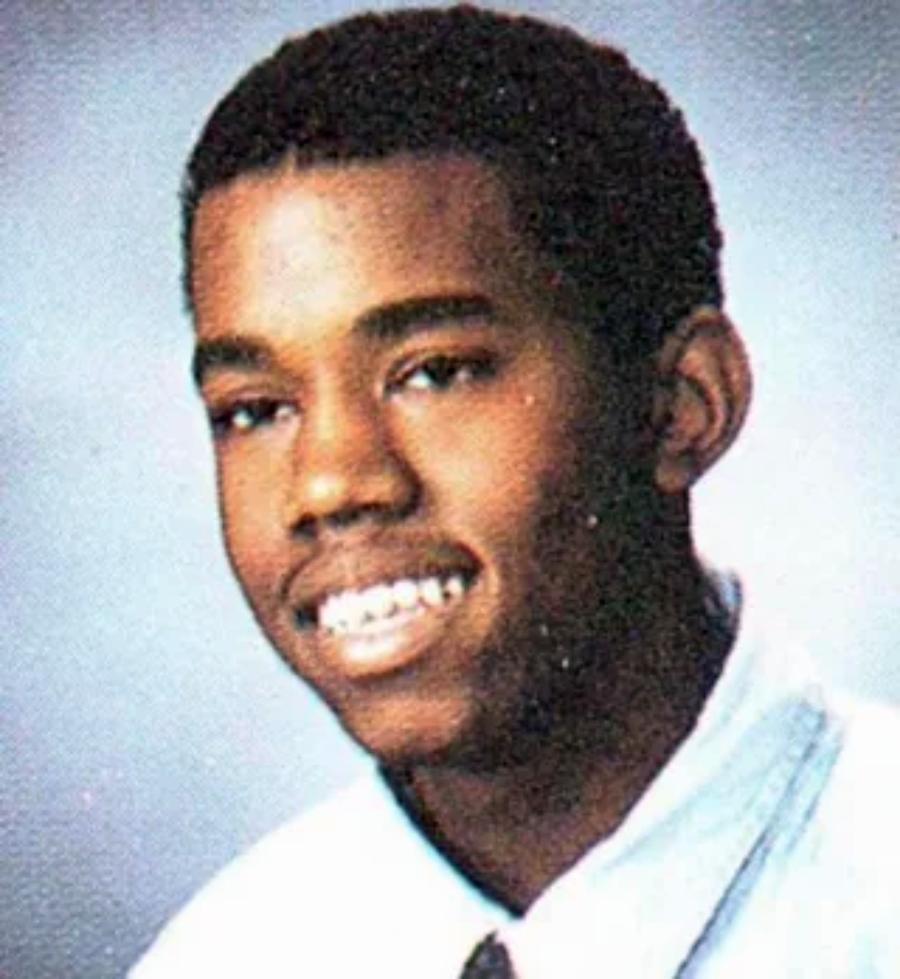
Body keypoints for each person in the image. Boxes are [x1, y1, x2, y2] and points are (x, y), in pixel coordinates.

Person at [132, 6, 900, 977]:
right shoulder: (227, 955)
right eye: (255, 408)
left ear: (680, 406)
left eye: (435, 371)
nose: (329, 482)